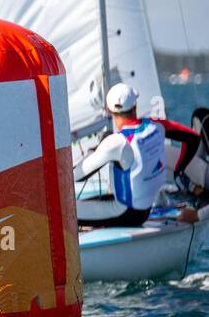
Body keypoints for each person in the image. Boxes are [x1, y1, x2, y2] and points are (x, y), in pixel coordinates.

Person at [74, 83, 200, 227]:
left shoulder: (116, 142)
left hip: (125, 213)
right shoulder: (157, 125)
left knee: (65, 211)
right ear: (135, 107)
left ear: (109, 110)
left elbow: (77, 176)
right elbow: (194, 139)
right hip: (144, 210)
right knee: (91, 201)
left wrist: (96, 153)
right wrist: (179, 169)